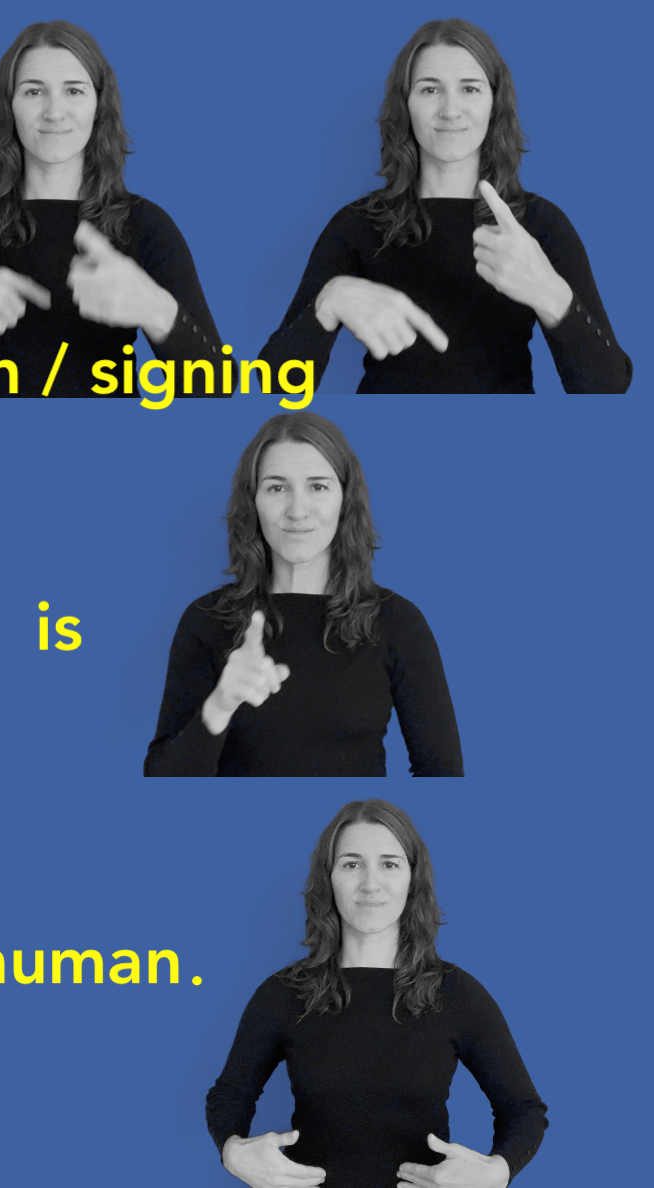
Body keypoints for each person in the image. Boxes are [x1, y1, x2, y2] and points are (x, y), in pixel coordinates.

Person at [256, 19, 630, 394]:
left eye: (470, 88)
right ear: (406, 105)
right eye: (430, 89)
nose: (450, 110)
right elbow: (273, 384)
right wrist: (328, 300)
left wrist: (551, 294)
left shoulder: (540, 224)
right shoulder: (357, 224)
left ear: (493, 104)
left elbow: (609, 387)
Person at [0, 20, 227, 399]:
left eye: (74, 90)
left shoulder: (146, 225)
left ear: (98, 106)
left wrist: (159, 313)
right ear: (11, 107)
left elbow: (218, 389)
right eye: (34, 91)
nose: (55, 111)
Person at [206, 799, 547, 1188]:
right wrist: (232, 1152)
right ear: (329, 877)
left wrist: (497, 1172)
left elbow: (524, 1110)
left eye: (389, 863)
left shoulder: (456, 993)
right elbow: (228, 1096)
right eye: (352, 863)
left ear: (412, 879)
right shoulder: (284, 993)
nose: (370, 883)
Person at [145, 412, 461, 776]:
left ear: (345, 500)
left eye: (318, 486)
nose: (297, 511)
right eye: (277, 488)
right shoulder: (206, 620)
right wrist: (220, 704)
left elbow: (443, 773)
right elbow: (160, 781)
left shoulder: (397, 622)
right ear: (254, 502)